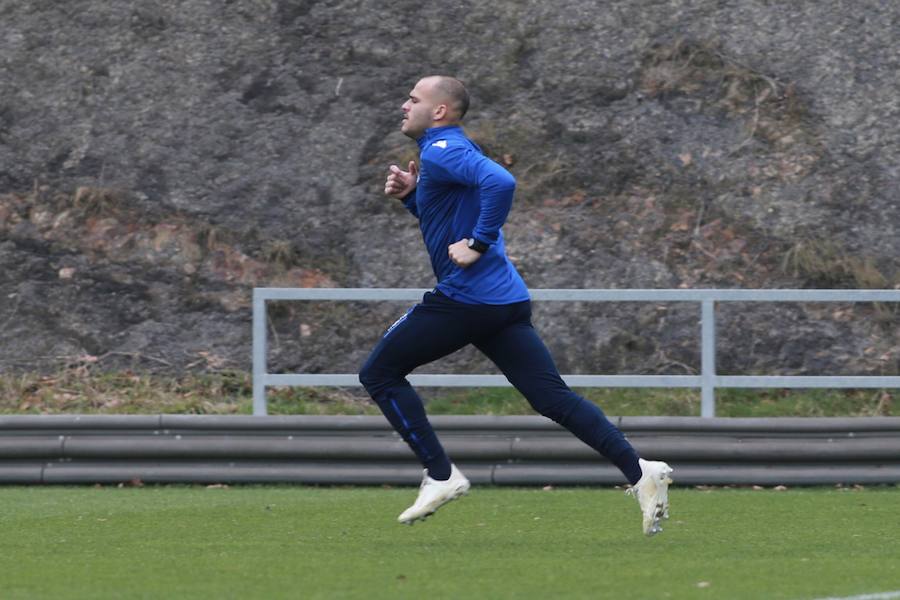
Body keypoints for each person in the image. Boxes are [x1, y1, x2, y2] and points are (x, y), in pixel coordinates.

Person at [359, 75, 673, 536]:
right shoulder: (444, 156)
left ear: (440, 111)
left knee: (379, 374)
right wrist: (413, 198)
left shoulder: (443, 149)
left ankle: (441, 475)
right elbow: (450, 219)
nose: (403, 106)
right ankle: (640, 471)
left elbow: (502, 182)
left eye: (413, 99)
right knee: (552, 398)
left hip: (467, 300)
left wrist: (480, 243)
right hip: (504, 301)